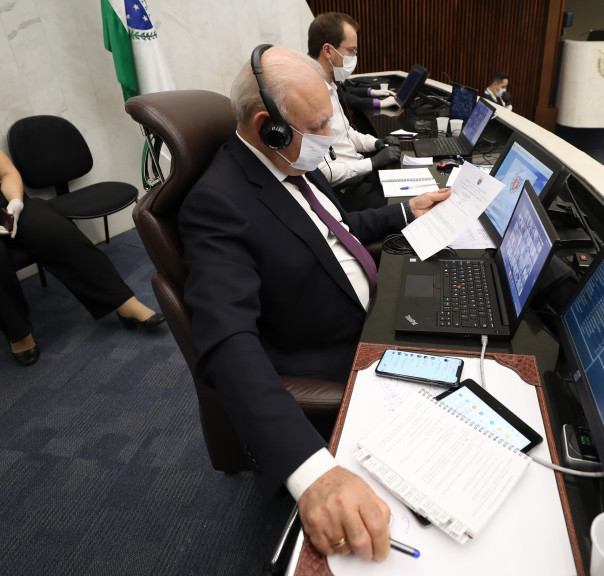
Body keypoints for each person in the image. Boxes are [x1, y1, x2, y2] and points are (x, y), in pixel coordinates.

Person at [178, 45, 450, 562]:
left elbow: (335, 230)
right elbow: (226, 345)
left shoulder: (289, 160)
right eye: (319, 125)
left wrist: (407, 211)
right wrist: (313, 474)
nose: (330, 136)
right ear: (269, 125)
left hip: (371, 314)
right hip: (337, 354)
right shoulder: (218, 205)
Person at [0, 149, 164, 367]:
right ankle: (18, 333)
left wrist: (15, 204)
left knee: (52, 228)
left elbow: (6, 173)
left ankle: (123, 302)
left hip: (7, 204)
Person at [308, 12, 402, 211]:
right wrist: (374, 162)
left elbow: (346, 133)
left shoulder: (331, 87)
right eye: (351, 51)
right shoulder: (311, 97)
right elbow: (326, 173)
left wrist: (376, 143)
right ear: (328, 50)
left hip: (360, 178)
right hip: (347, 193)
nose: (354, 57)